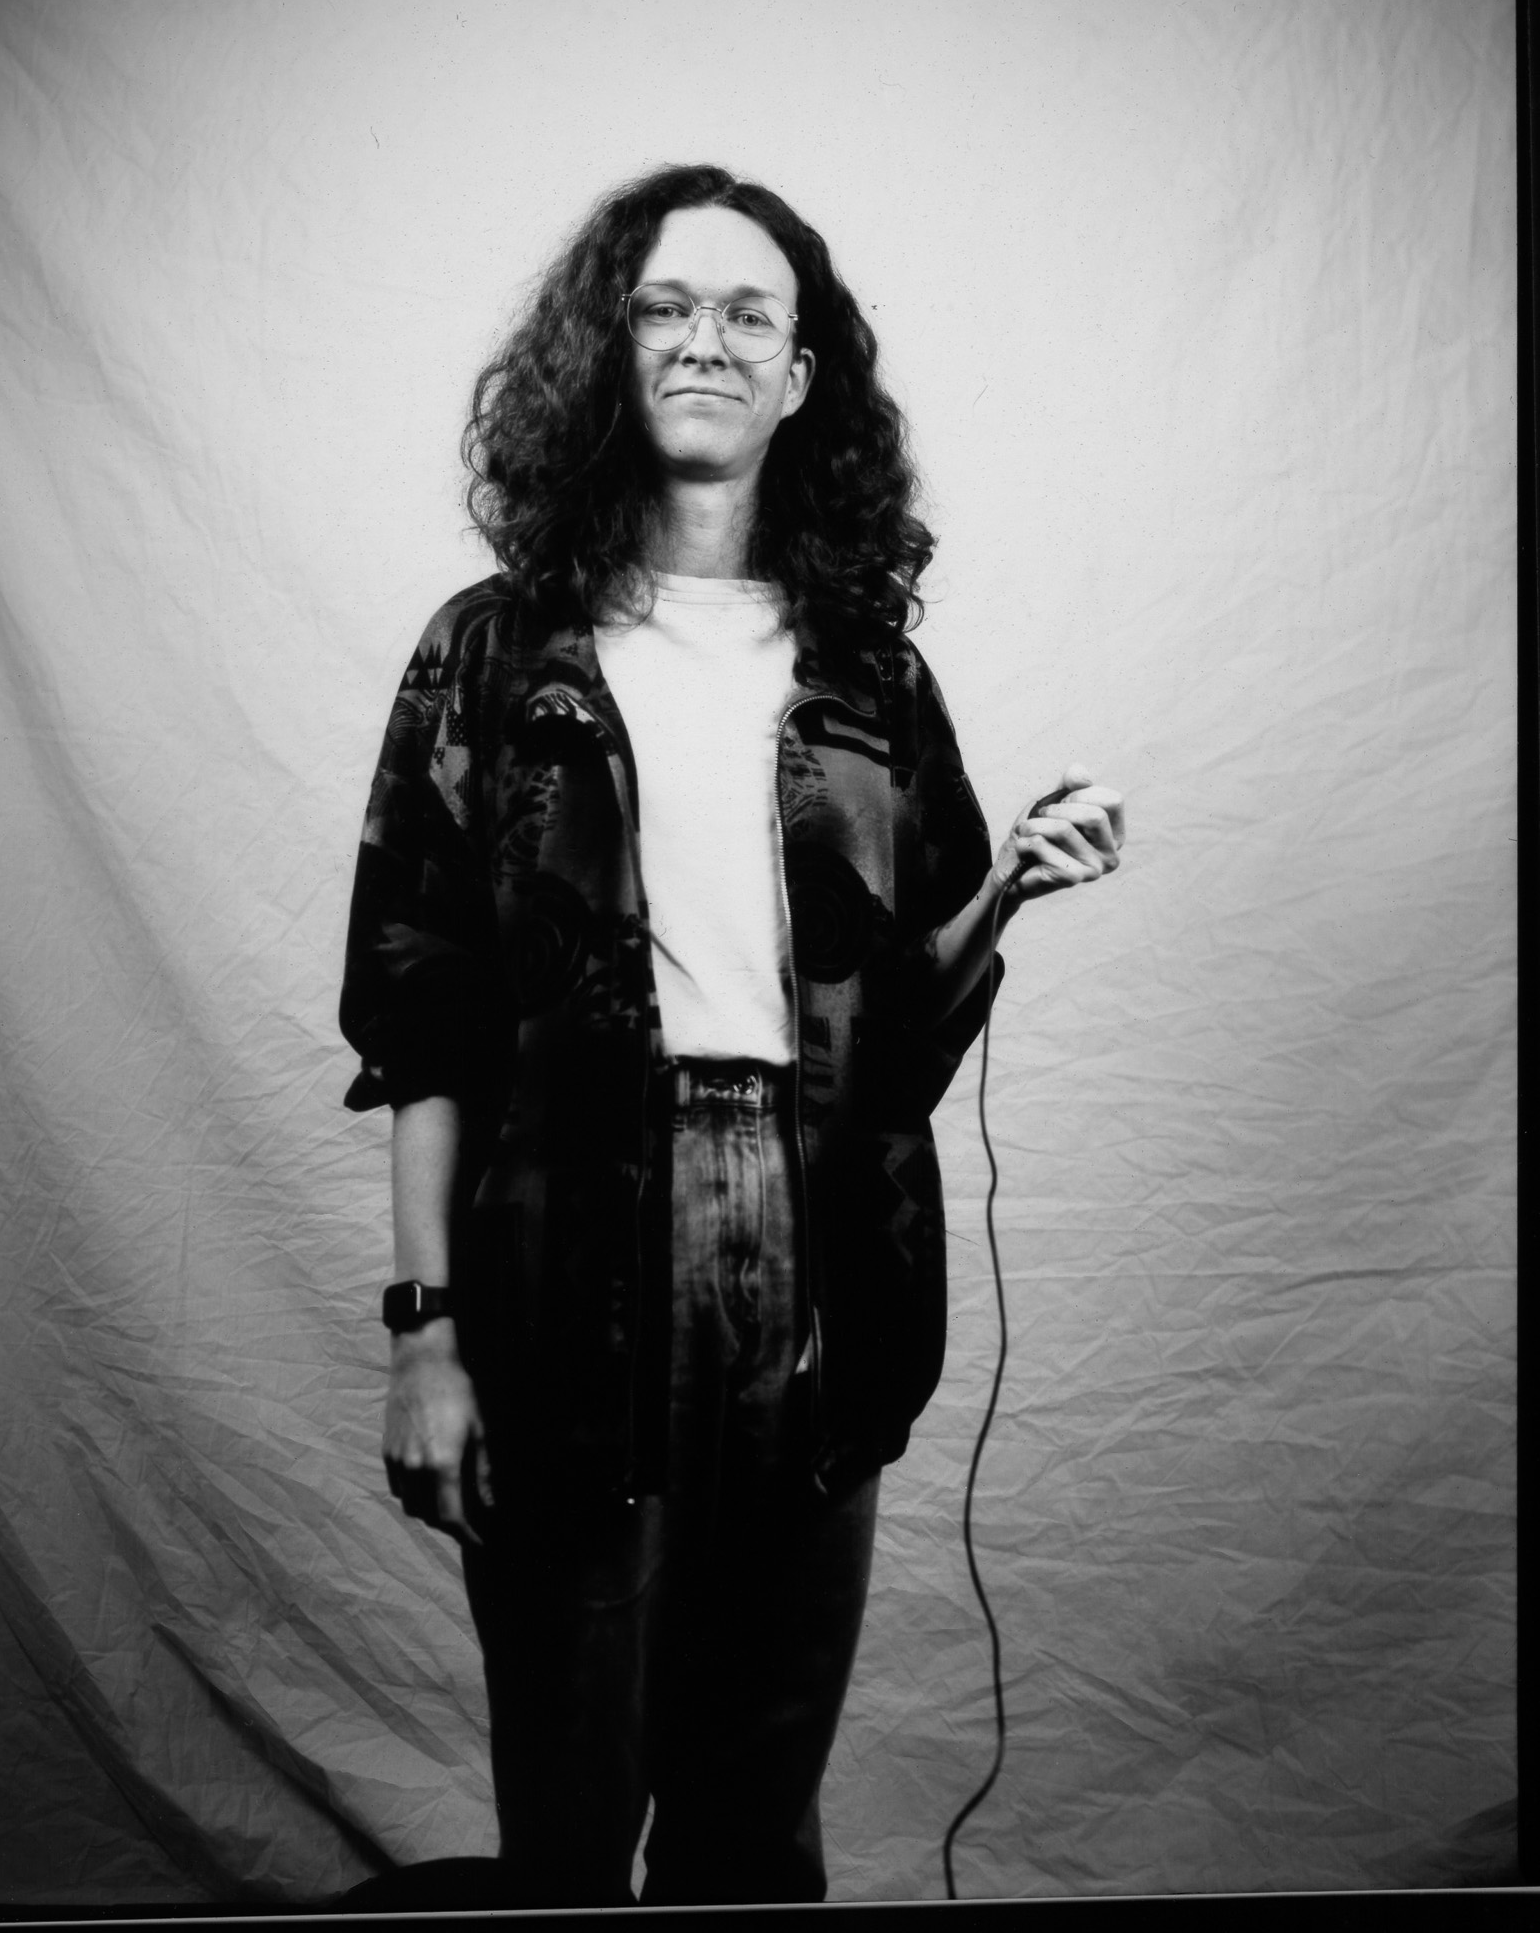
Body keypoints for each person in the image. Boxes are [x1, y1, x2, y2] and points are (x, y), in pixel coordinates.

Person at [339, 162, 1125, 1906]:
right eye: (664, 307)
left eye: (747, 314)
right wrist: (424, 1336)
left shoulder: (866, 674)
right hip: (561, 1244)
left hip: (822, 1235)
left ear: (798, 376)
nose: (705, 339)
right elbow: (428, 1024)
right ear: (605, 354)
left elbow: (895, 1041)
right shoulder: (486, 656)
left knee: (756, 1808)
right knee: (567, 1805)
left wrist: (1004, 892)